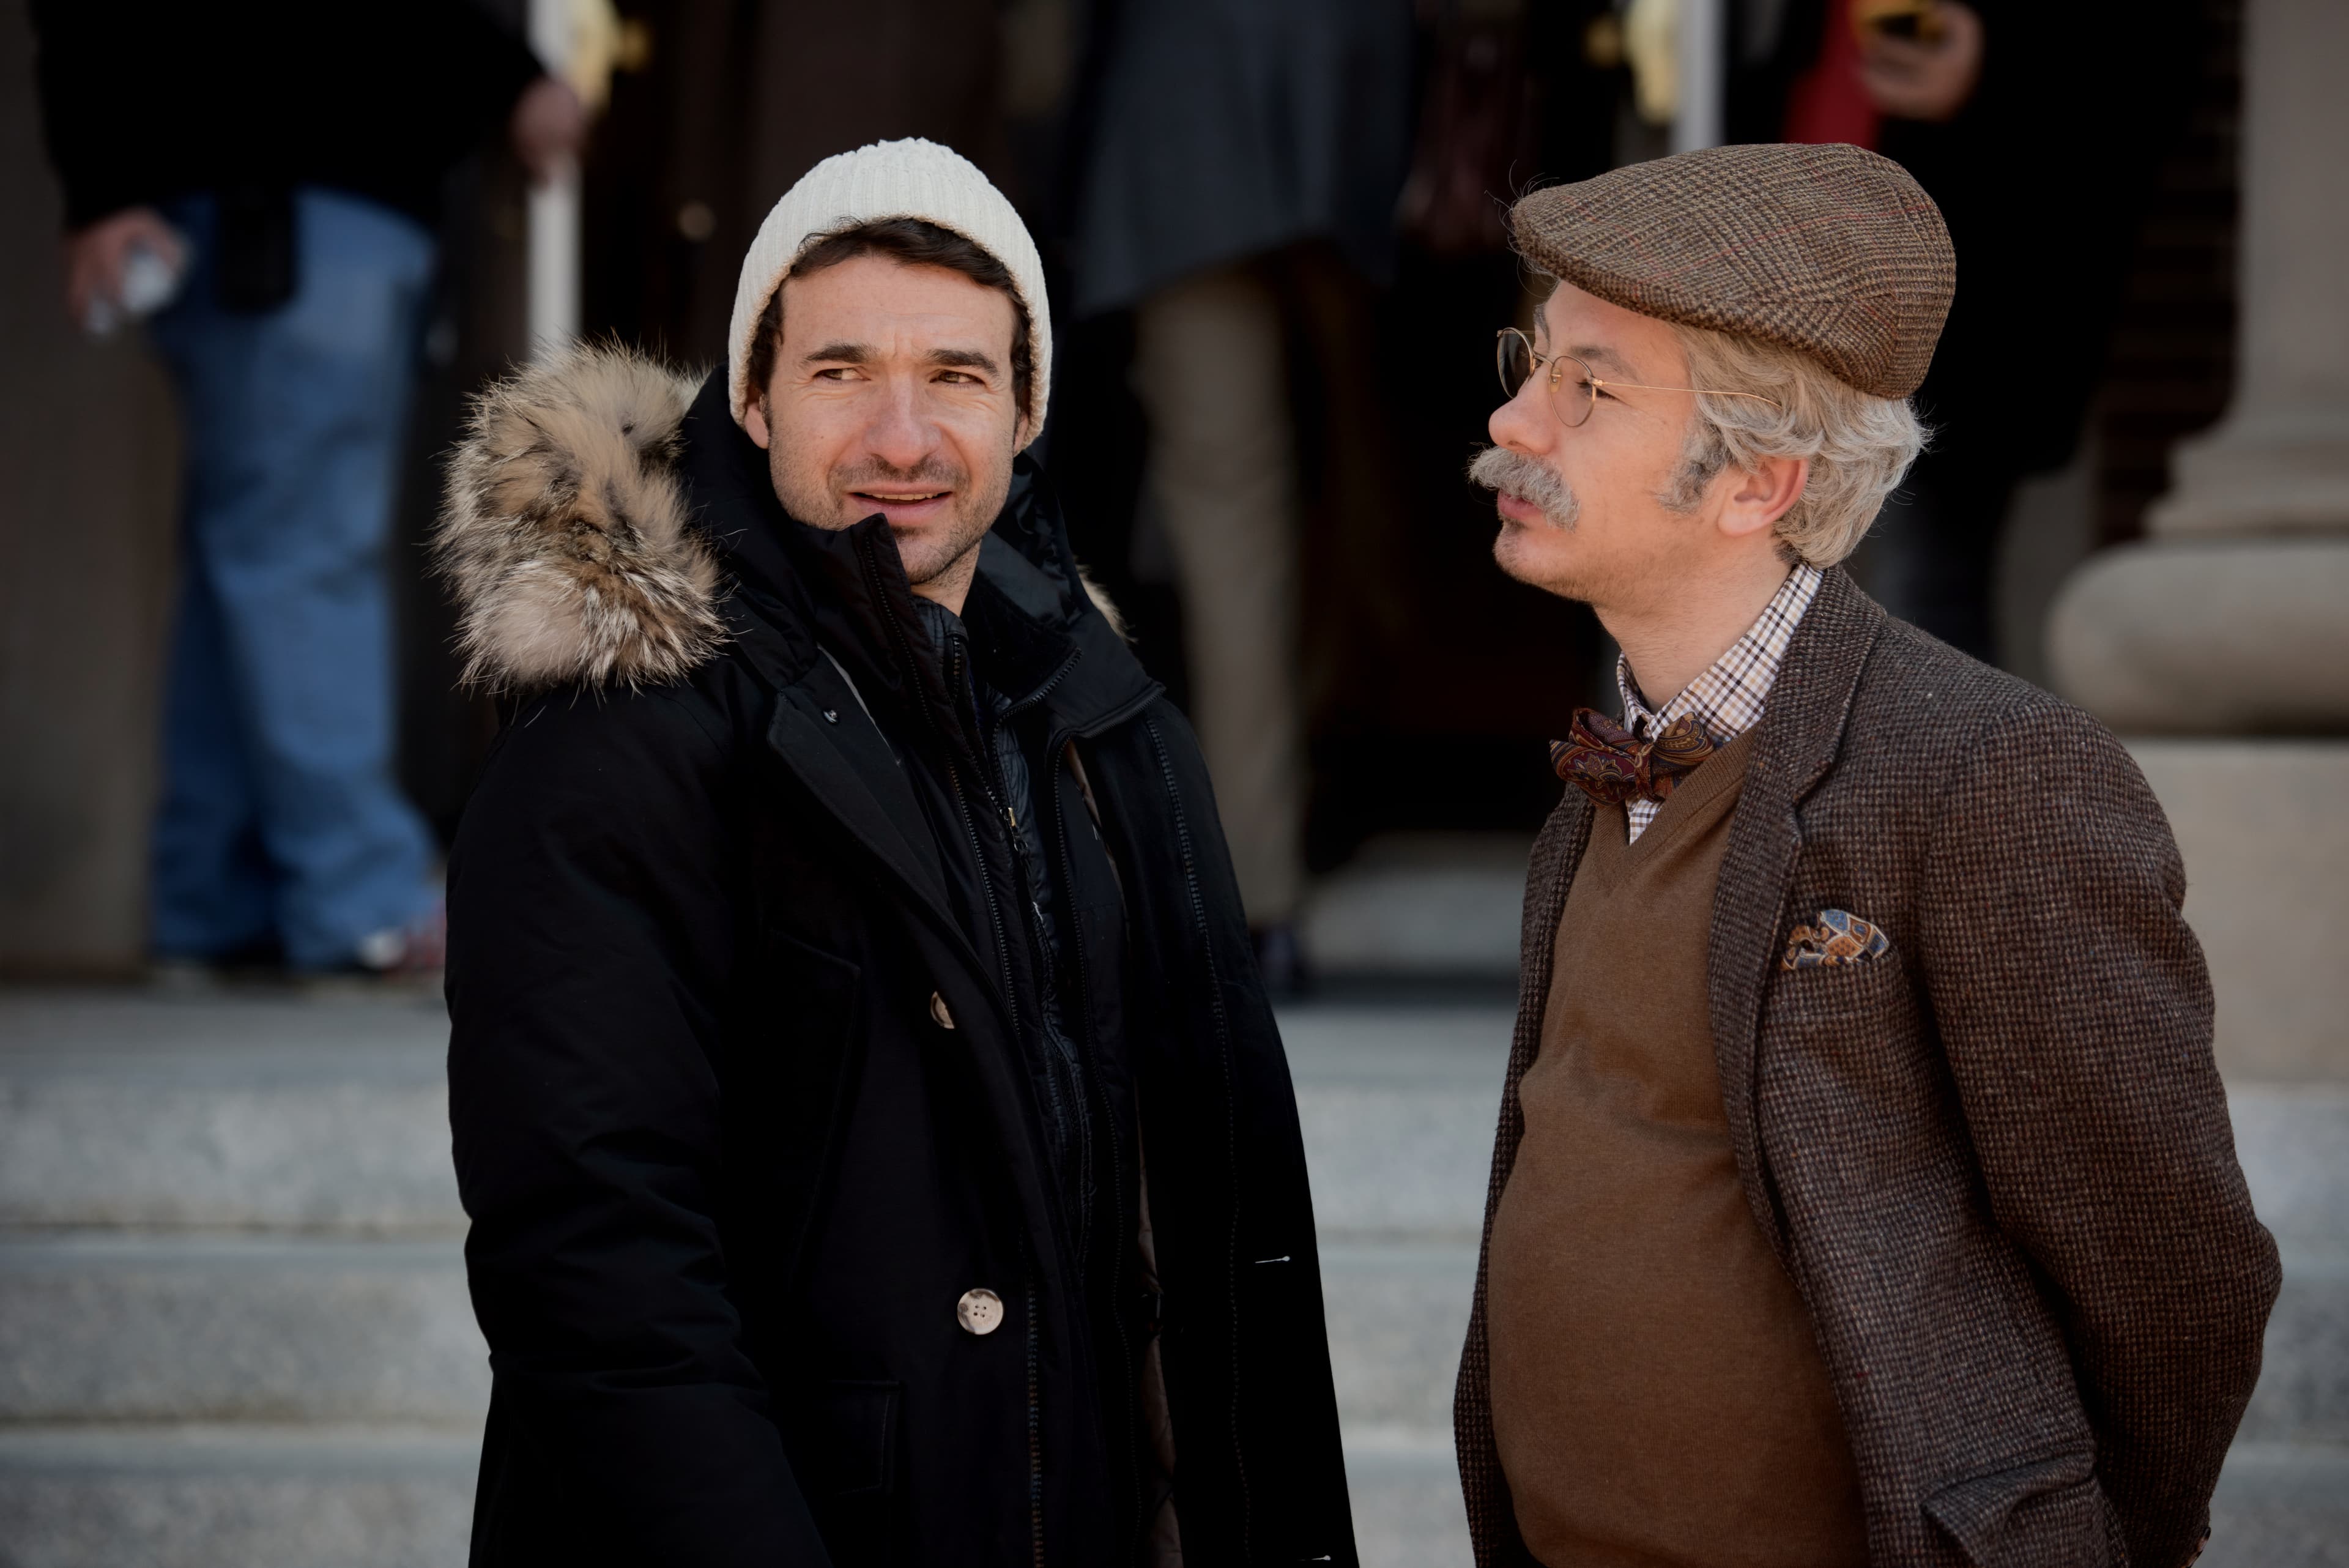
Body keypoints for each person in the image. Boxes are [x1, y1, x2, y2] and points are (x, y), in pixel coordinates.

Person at [437, 140, 1354, 1567]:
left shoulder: (1101, 722)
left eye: (960, 377)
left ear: (1031, 406)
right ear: (749, 396)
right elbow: (596, 1267)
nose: (902, 437)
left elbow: (1200, 1255)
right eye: (842, 370)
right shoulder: (624, 733)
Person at [1452, 143, 2277, 1567]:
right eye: (1538, 358)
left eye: (1591, 386)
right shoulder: (1606, 776)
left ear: (1756, 482)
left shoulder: (1988, 776)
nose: (1514, 417)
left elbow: (2172, 1270)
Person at [29, 1, 584, 973]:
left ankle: (213, 900)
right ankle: (358, 897)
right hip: (290, 196)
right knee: (296, 549)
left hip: (293, 196)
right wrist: (103, 180)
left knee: (245, 551)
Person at [1066, 0, 1418, 985]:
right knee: (1362, 473)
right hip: (1348, 91)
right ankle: (1324, 774)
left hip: (1183, 111)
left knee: (1231, 502)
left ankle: (1259, 896)